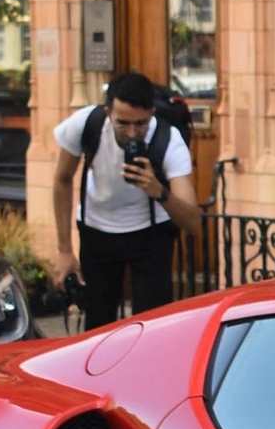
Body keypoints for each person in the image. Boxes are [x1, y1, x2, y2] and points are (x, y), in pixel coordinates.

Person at [48, 70, 201, 328]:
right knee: (98, 325)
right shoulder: (86, 124)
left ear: (152, 113)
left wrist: (158, 190)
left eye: (140, 124)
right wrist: (64, 250)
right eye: (123, 123)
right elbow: (62, 179)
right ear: (109, 113)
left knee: (151, 326)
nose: (132, 132)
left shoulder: (168, 140)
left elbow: (193, 222)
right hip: (97, 230)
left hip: (151, 233)